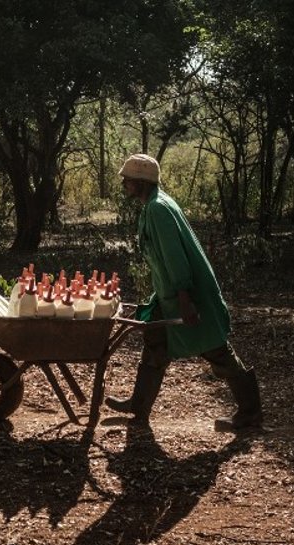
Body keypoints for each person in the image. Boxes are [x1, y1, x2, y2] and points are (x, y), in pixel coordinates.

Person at [105, 153, 263, 430]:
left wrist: (185, 299)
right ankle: (139, 406)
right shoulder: (153, 204)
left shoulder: (158, 209)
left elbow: (175, 256)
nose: (125, 184)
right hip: (171, 293)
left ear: (141, 181)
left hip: (187, 293)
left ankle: (250, 412)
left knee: (216, 349)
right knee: (155, 340)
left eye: (128, 179)